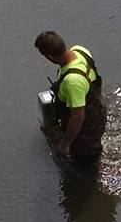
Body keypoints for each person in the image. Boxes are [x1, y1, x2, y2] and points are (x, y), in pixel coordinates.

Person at [35, 31, 107, 162]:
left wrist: (65, 145)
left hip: (87, 126)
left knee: (86, 159)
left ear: (50, 57)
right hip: (98, 108)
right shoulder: (80, 50)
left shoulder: (72, 81)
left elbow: (77, 118)